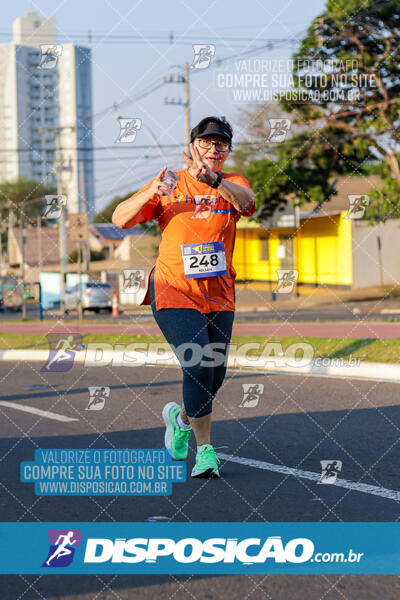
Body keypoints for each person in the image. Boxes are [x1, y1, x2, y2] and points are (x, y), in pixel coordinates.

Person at [112, 116, 255, 478]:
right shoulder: (171, 182)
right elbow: (119, 219)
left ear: (227, 151)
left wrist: (216, 181)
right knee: (197, 364)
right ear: (192, 146)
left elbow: (248, 204)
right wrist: (150, 192)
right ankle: (205, 451)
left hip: (219, 293)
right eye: (206, 143)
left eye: (220, 144)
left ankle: (180, 419)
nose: (213, 149)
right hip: (173, 288)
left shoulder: (233, 184)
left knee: (215, 373)